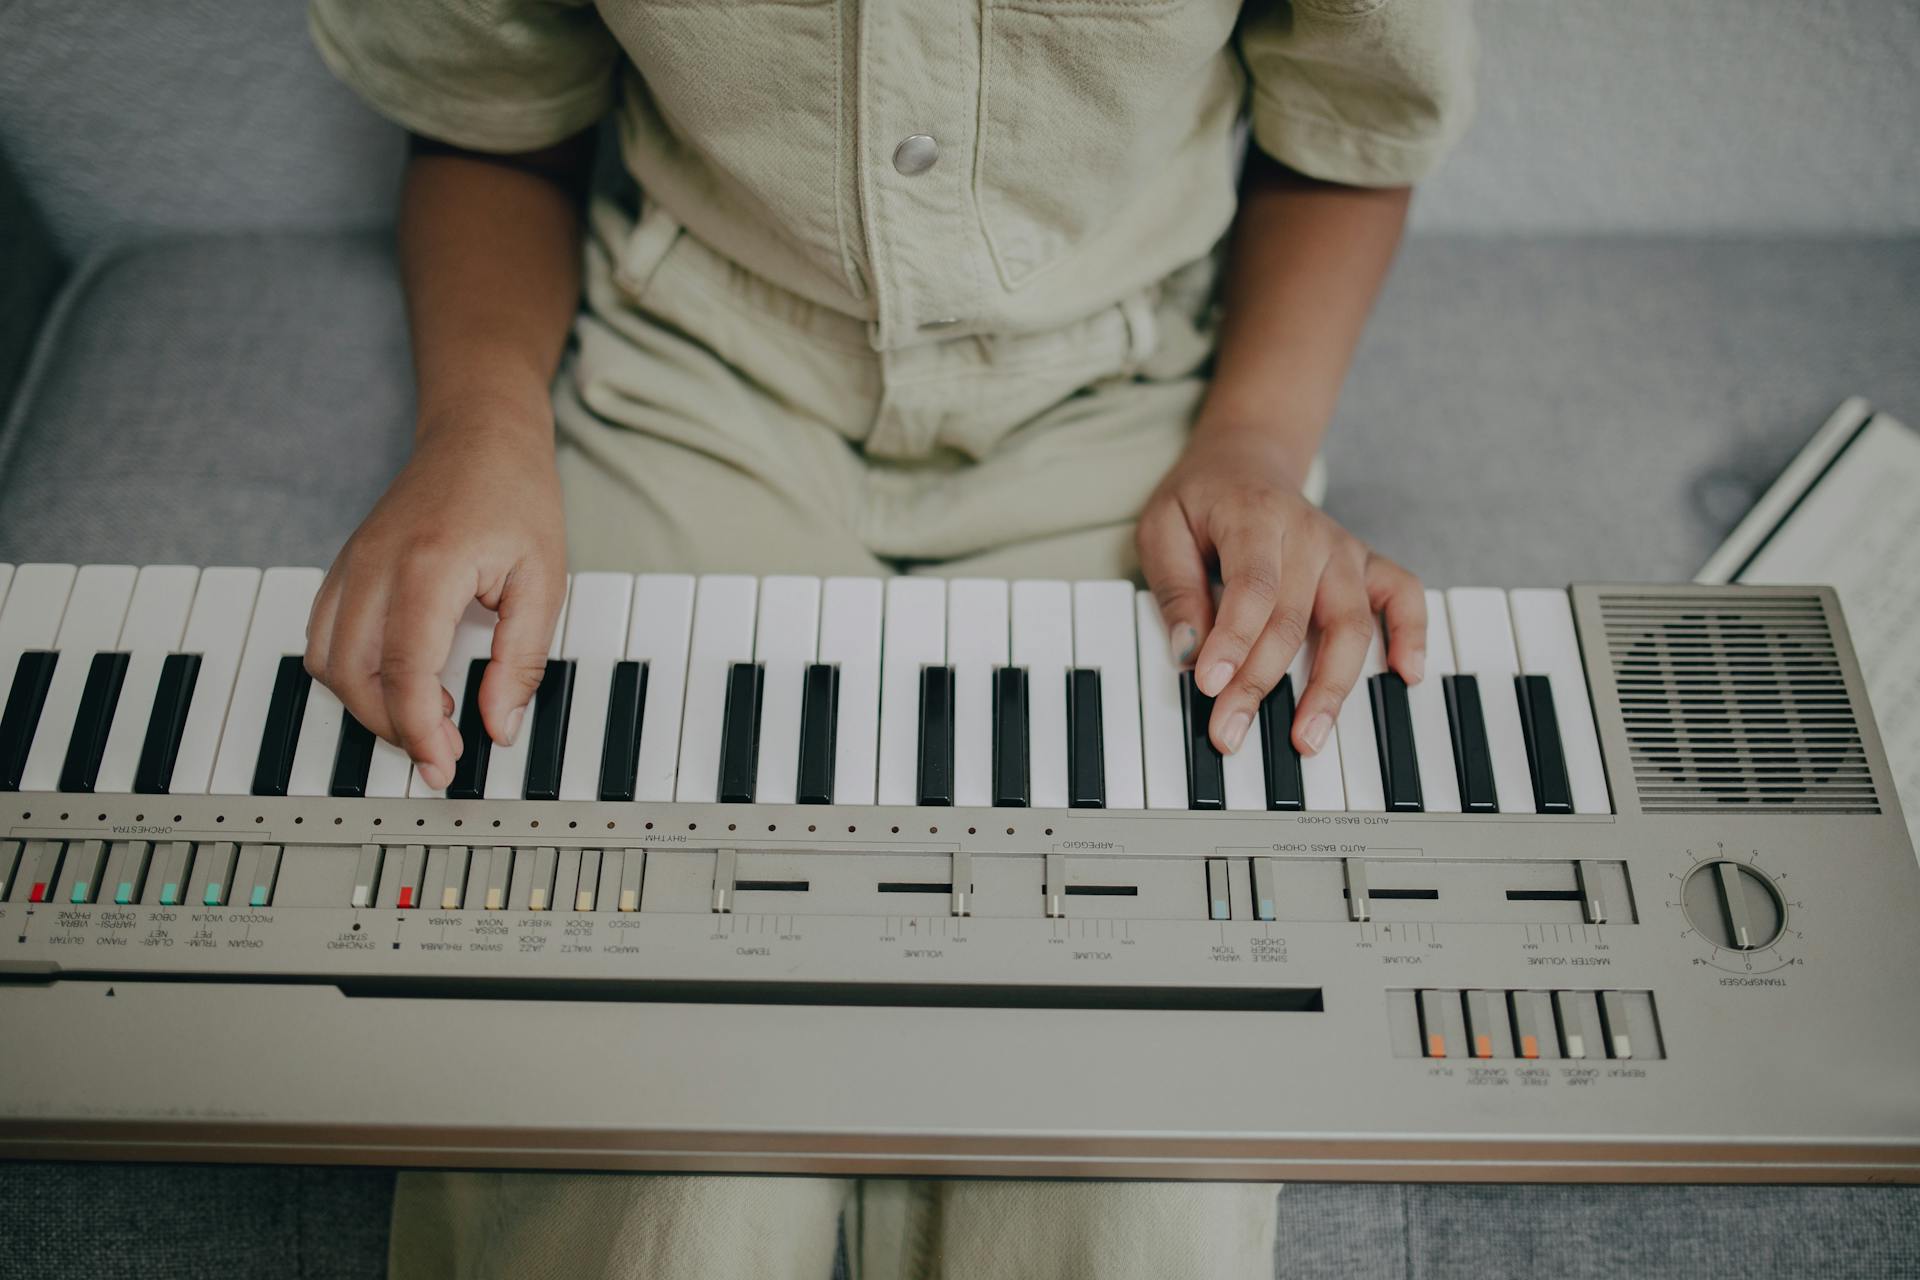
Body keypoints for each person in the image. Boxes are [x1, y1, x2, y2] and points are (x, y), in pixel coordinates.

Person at [304, 1, 1475, 1275]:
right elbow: (491, 120)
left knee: (1139, 1156)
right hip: (692, 380)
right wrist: (477, 422)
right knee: (630, 1115)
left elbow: (1348, 130)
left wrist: (1253, 443)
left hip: (1131, 408)